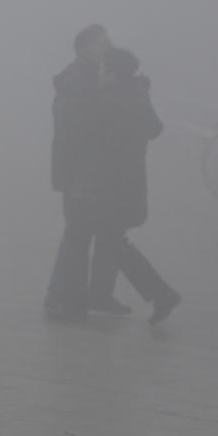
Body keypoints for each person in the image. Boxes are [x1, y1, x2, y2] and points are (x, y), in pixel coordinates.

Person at [89, 47, 181, 324]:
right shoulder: (134, 94)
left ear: (114, 73)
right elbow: (155, 128)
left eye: (103, 69)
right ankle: (100, 294)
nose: (99, 74)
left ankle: (161, 293)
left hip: (115, 183)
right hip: (128, 182)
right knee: (109, 238)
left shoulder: (116, 98)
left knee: (112, 239)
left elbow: (102, 136)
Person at [45, 24, 114, 321]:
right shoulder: (78, 81)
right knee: (77, 234)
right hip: (78, 173)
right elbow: (73, 128)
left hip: (85, 172)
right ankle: (62, 299)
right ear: (85, 49)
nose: (107, 51)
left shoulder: (89, 79)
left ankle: (60, 296)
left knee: (77, 234)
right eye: (101, 45)